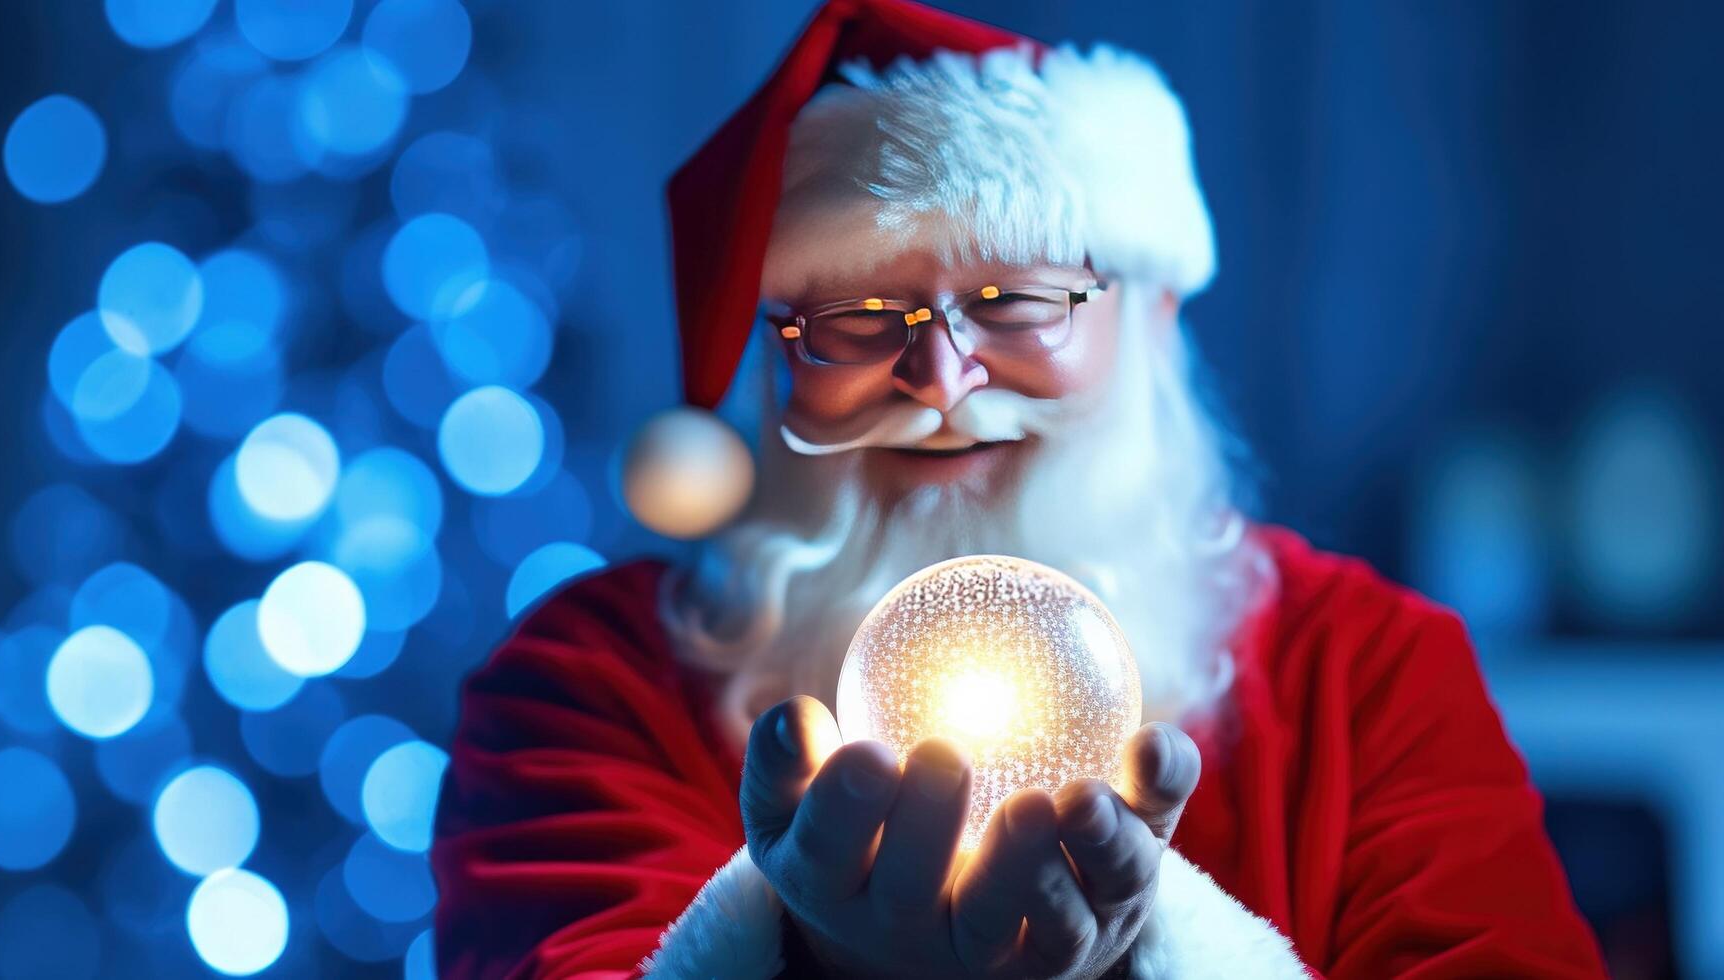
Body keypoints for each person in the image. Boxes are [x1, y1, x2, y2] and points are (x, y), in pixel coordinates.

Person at [432, 1, 1603, 976]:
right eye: (853, 316)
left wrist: (1163, 951)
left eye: (1017, 299)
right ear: (778, 359)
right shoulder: (586, 686)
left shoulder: (1369, 669)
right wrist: (805, 958)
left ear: (1150, 314)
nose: (939, 380)